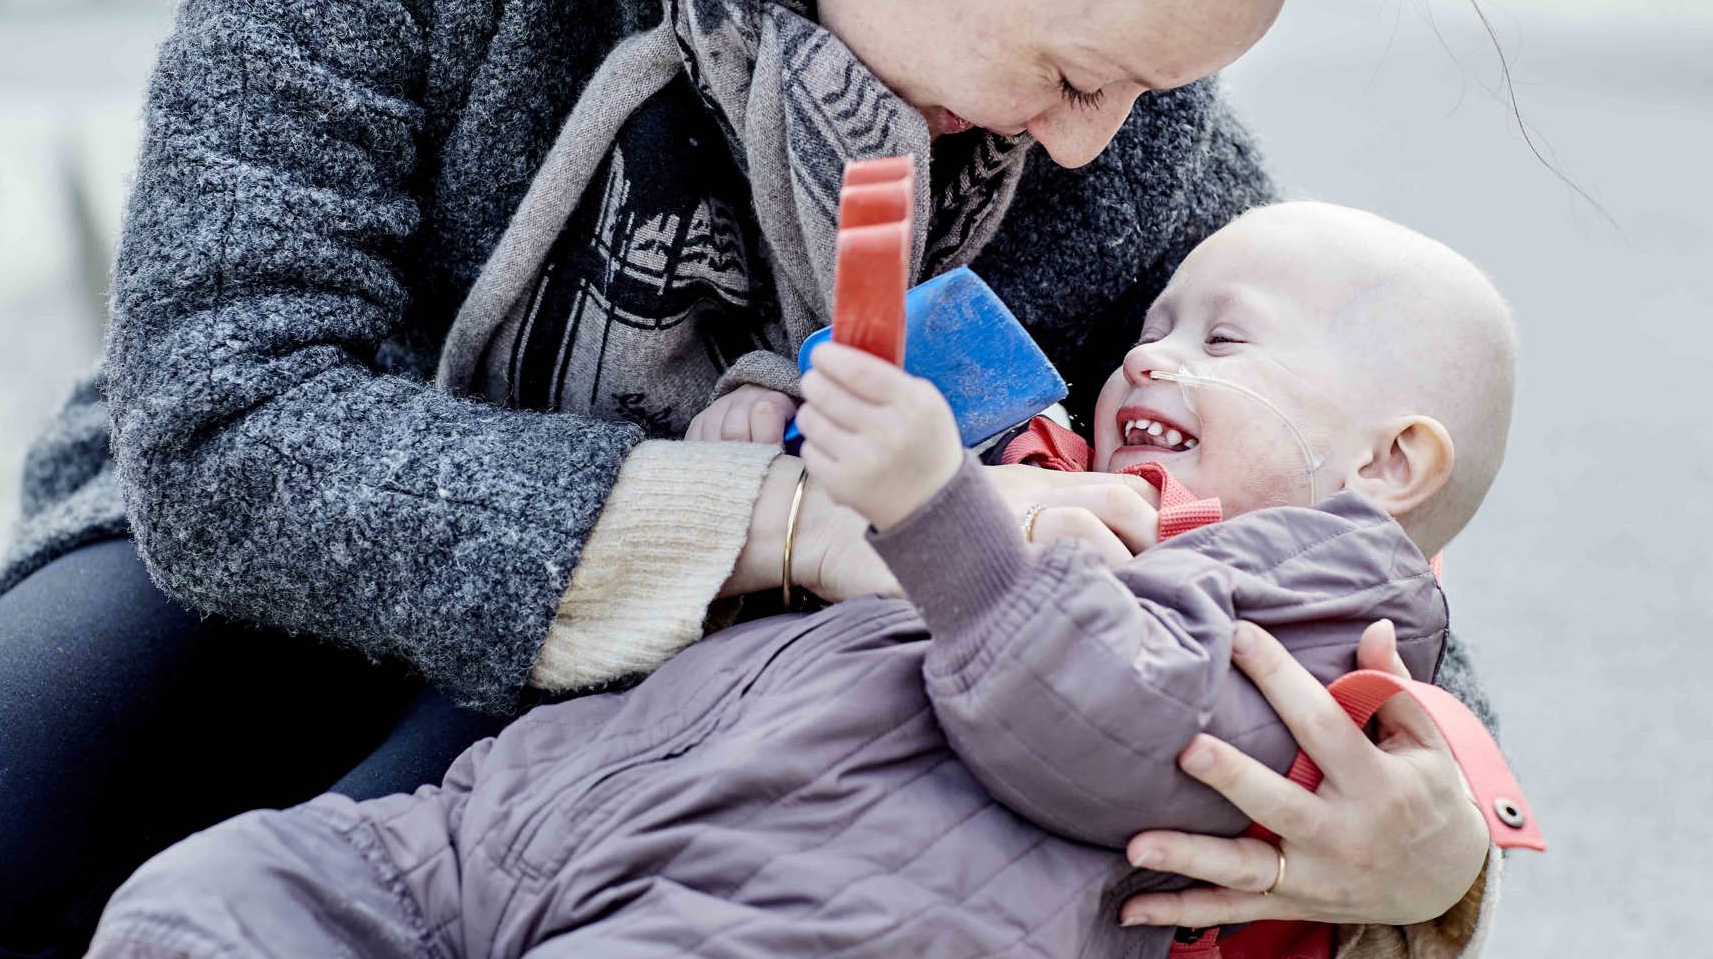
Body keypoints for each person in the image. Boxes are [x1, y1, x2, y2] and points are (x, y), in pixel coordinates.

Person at [0, 0, 1501, 956]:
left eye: (1150, 89)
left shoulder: (1126, 141)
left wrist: (1429, 824)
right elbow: (228, 422)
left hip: (694, 694)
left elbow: (1331, 506)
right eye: (1072, 74)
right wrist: (771, 524)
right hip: (297, 521)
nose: (1091, 148)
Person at [81, 202, 1515, 958]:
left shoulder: (1316, 590)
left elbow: (1124, 726)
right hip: (547, 816)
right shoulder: (1036, 445)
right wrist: (770, 466)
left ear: (1390, 463)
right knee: (229, 893)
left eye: (1225, 342)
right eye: (1154, 322)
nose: (1148, 354)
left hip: (810, 914)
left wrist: (937, 513)